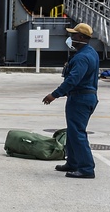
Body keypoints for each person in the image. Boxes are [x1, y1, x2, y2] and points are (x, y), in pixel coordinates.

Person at [43, 23, 100, 179]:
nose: (71, 38)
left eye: (74, 35)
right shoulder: (90, 52)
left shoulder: (82, 57)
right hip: (84, 96)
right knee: (73, 132)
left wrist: (54, 95)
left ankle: (86, 168)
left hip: (80, 98)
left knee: (78, 133)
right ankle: (73, 162)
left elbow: (73, 80)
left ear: (81, 37)